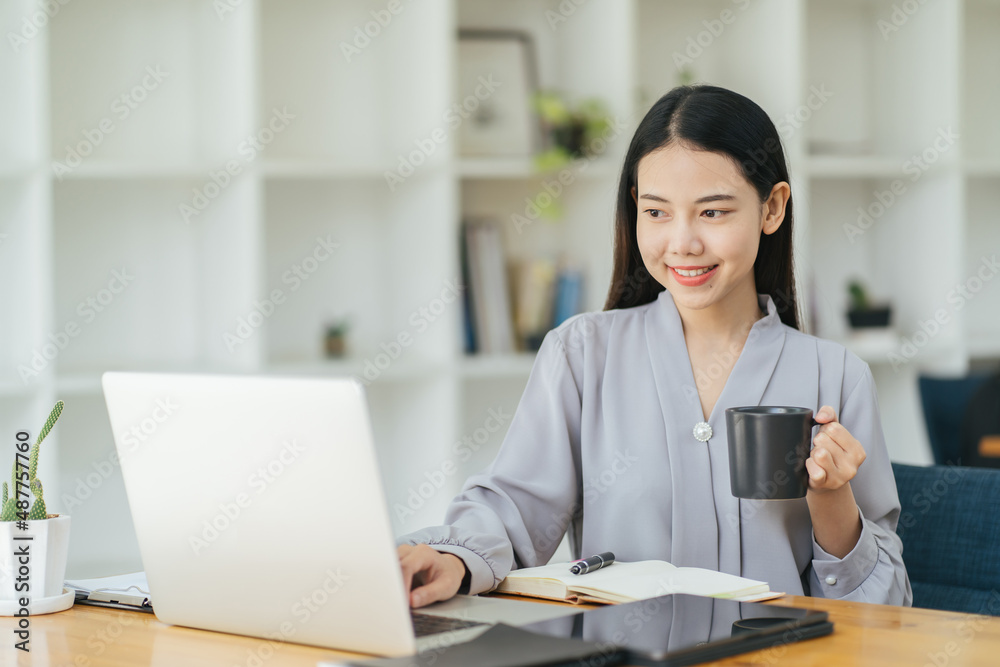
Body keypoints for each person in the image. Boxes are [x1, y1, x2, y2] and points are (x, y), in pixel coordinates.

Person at [397, 84, 912, 609]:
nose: (682, 243)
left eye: (712, 213)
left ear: (772, 208)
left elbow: (888, 606)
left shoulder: (836, 376)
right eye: (657, 212)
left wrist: (831, 497)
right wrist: (452, 557)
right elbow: (514, 509)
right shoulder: (581, 354)